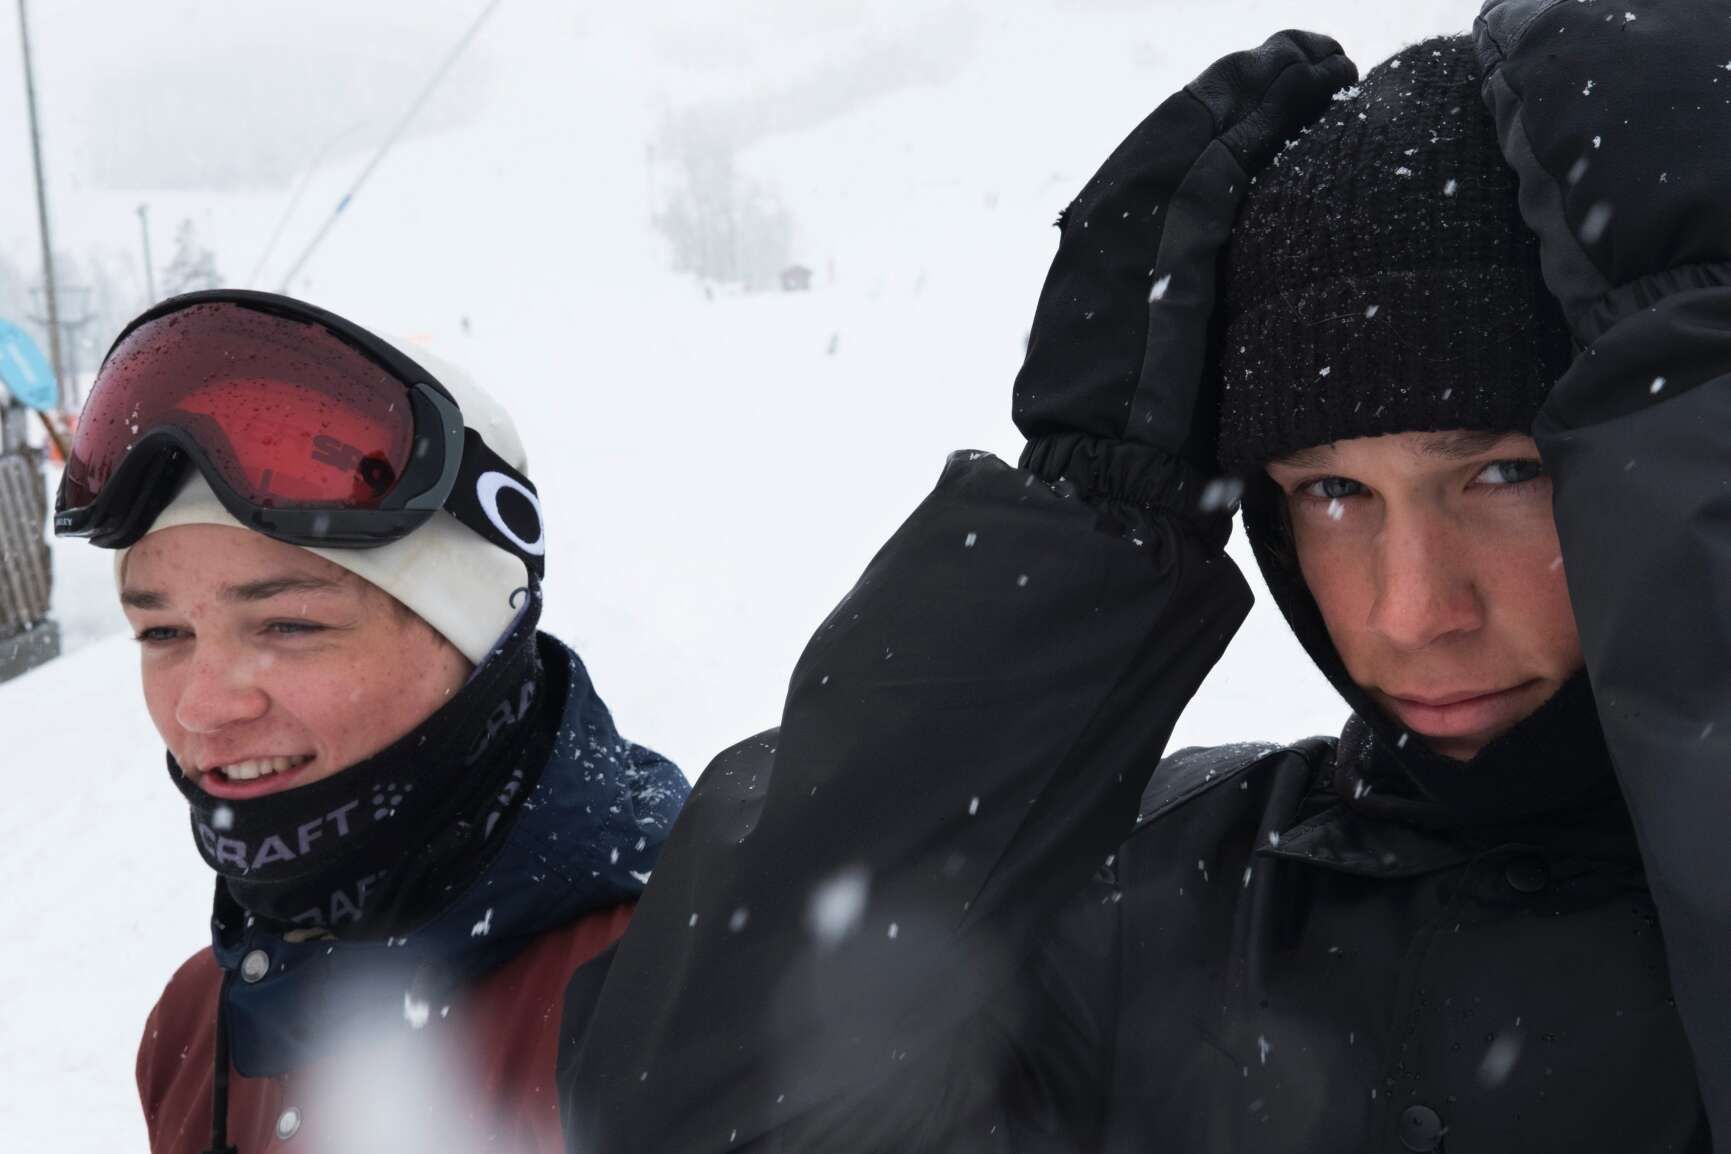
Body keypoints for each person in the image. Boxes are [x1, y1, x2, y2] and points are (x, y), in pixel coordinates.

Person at [559, 7, 1731, 1152]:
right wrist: (1092, 512)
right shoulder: (1164, 881)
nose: (1413, 610)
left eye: (1503, 473)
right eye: (1333, 490)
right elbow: (708, 1115)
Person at [55, 290, 688, 1153]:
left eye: (289, 625)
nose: (201, 707)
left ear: (476, 640)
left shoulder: (681, 996)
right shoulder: (193, 1029)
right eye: (162, 633)